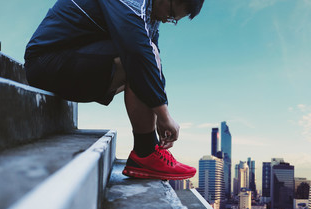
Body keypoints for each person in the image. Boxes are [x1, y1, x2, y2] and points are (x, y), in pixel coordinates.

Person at [24, 0, 204, 180]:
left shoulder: (150, 14)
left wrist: (159, 113)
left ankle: (148, 151)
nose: (166, 20)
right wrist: (163, 114)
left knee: (147, 53)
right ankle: (145, 152)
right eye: (171, 14)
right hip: (46, 62)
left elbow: (154, 64)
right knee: (139, 54)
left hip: (76, 60)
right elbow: (137, 52)